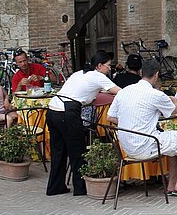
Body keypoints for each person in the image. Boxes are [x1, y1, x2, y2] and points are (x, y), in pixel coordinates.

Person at [107, 58, 177, 197]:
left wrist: (131, 124)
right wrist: (175, 100)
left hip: (125, 147)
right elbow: (173, 112)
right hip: (146, 145)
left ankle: (171, 184)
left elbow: (110, 117)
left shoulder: (124, 91)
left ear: (141, 72)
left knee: (173, 138)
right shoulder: (155, 94)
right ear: (156, 74)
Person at [46, 50, 121, 196]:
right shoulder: (99, 77)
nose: (109, 68)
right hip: (68, 111)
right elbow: (121, 92)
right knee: (77, 150)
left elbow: (84, 94)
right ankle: (80, 188)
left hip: (53, 109)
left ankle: (55, 187)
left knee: (58, 151)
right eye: (108, 65)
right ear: (99, 66)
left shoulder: (79, 73)